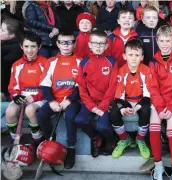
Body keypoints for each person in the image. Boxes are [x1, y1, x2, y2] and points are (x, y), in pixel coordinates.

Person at [147, 25, 172, 179]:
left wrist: (171, 107)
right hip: (158, 102)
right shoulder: (153, 61)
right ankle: (158, 166)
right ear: (157, 41)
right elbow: (153, 86)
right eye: (161, 40)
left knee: (171, 131)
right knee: (154, 128)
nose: (164, 44)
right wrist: (159, 106)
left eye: (167, 41)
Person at [37, 32, 81, 169]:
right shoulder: (51, 62)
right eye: (62, 42)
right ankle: (51, 142)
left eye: (69, 42)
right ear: (57, 44)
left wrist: (69, 100)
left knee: (70, 117)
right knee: (41, 115)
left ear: (74, 44)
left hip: (73, 100)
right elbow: (44, 85)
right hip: (55, 99)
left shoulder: (80, 61)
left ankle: (71, 148)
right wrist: (51, 101)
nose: (66, 46)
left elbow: (82, 86)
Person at [75, 30, 118, 158]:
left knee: (103, 126)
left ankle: (111, 140)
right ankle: (96, 137)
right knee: (80, 120)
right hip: (90, 102)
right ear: (89, 45)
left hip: (106, 102)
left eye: (101, 44)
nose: (98, 47)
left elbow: (113, 86)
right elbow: (82, 88)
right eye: (95, 43)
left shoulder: (111, 61)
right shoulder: (84, 63)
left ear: (106, 46)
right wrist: (91, 106)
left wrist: (102, 106)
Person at [110, 40, 151, 159]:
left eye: (137, 55)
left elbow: (148, 93)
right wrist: (123, 107)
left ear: (142, 57)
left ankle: (140, 139)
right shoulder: (121, 71)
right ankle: (124, 139)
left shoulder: (146, 70)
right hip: (126, 100)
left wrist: (138, 105)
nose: (133, 58)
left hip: (141, 100)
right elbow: (119, 94)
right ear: (124, 56)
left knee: (146, 110)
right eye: (130, 55)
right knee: (114, 112)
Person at [6, 34, 46, 149]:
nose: (29, 50)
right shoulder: (17, 64)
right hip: (21, 95)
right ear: (21, 46)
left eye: (33, 46)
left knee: (30, 109)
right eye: (26, 46)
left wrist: (36, 96)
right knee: (10, 111)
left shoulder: (45, 63)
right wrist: (15, 96)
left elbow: (48, 86)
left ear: (39, 46)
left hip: (39, 97)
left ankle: (37, 139)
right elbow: (13, 85)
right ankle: (15, 140)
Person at [1, 18, 23, 98]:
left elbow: (4, 65)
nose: (0, 31)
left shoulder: (16, 48)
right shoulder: (5, 43)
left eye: (2, 30)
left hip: (7, 89)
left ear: (12, 35)